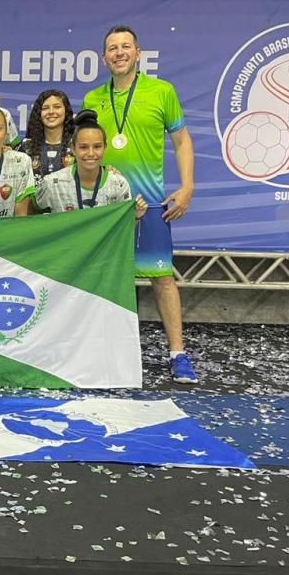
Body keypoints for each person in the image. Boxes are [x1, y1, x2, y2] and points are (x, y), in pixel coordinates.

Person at [83, 25, 198, 383]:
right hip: (107, 207)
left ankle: (178, 354)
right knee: (100, 281)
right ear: (104, 58)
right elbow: (85, 151)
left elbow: (181, 141)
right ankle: (97, 353)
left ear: (137, 52)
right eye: (112, 48)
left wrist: (187, 186)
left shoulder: (161, 91)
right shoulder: (92, 100)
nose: (119, 52)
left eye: (125, 47)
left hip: (148, 203)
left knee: (162, 279)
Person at [34, 109, 148, 218]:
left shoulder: (118, 185)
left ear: (105, 148)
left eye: (97, 147)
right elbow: (29, 217)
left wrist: (136, 217)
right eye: (83, 147)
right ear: (73, 149)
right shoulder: (52, 183)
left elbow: (123, 228)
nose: (91, 153)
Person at [23, 89, 75, 198]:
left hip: (69, 211)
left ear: (66, 111)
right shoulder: (25, 147)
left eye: (57, 107)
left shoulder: (77, 146)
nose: (51, 112)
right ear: (39, 114)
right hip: (33, 212)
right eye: (45, 108)